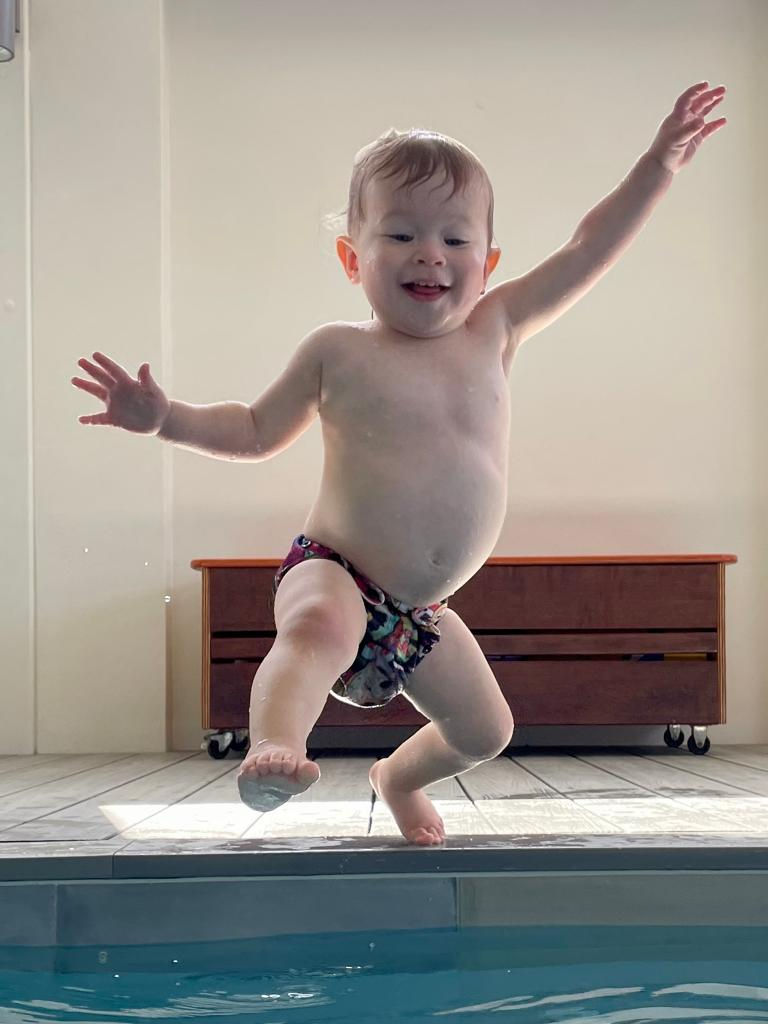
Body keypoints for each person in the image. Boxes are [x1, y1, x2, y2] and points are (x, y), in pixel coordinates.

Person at [72, 82, 726, 846]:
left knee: (486, 730)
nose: (430, 253)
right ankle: (275, 746)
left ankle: (397, 777)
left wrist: (659, 164)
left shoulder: (496, 329)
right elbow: (253, 429)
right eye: (401, 235)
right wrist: (167, 419)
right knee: (316, 628)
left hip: (420, 616)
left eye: (455, 239)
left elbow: (589, 247)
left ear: (488, 262)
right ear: (353, 257)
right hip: (337, 572)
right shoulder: (337, 351)